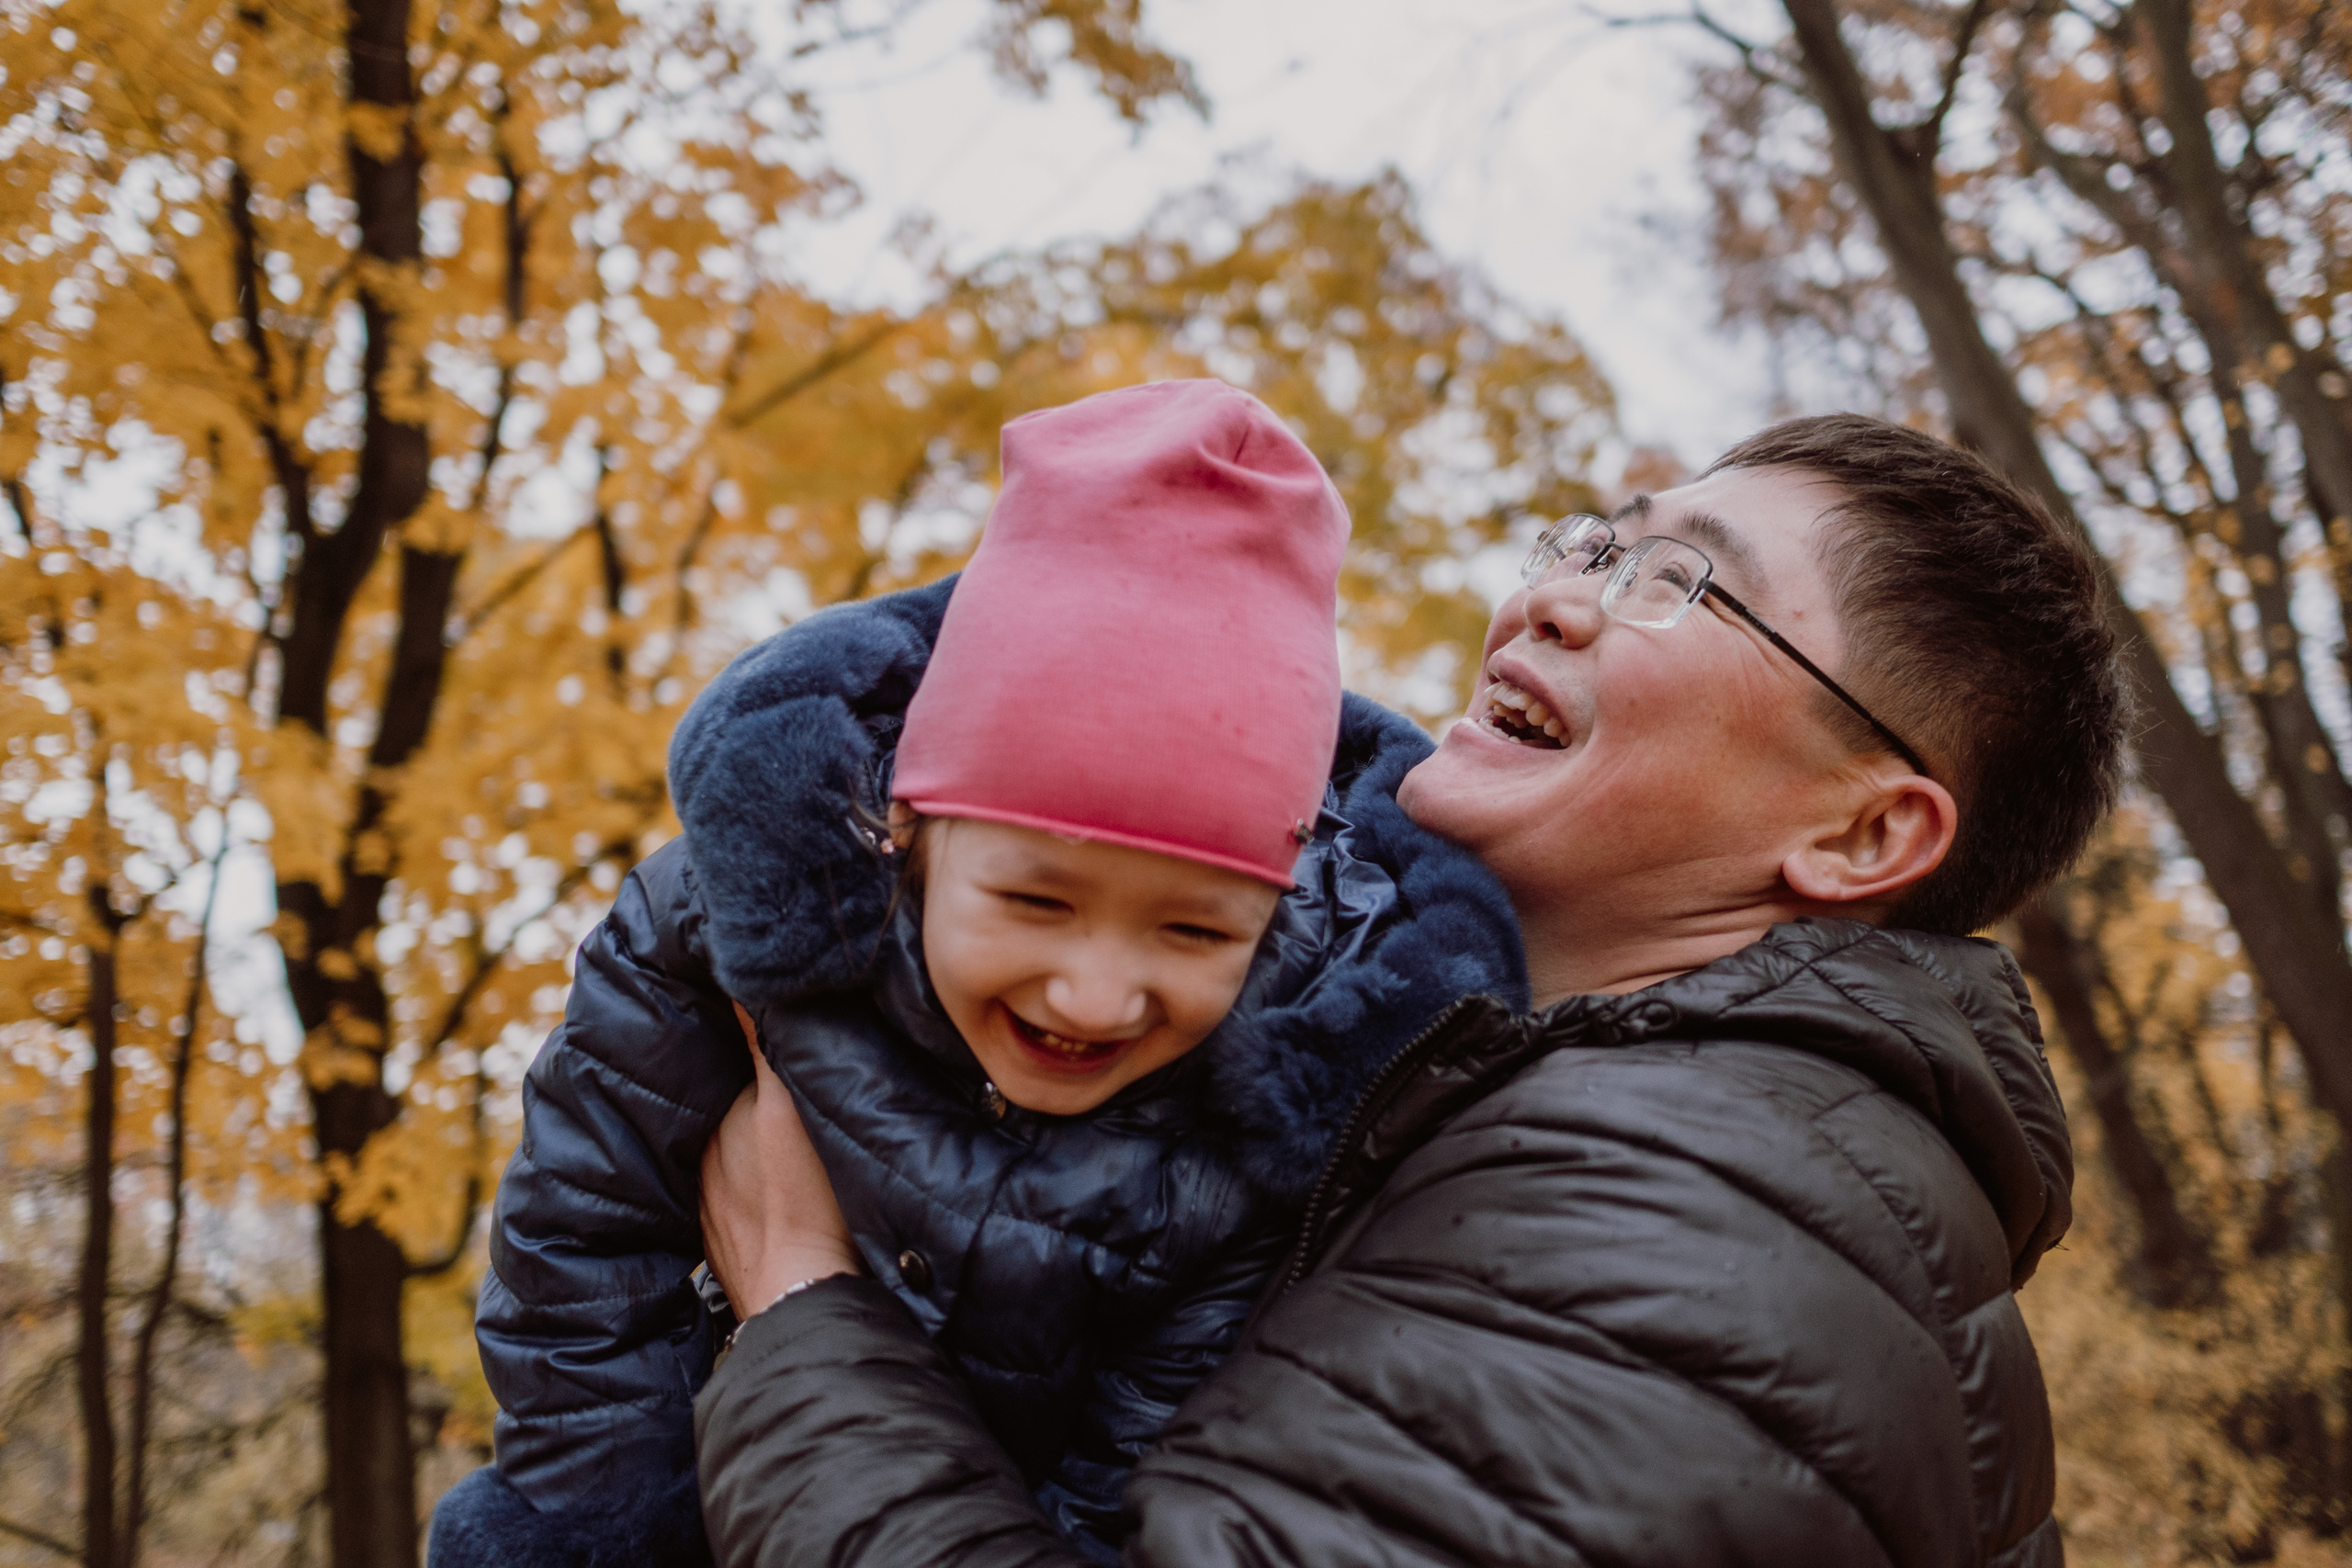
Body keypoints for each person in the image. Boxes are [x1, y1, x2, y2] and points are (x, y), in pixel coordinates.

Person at [690, 414, 2127, 1568]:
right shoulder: (1552, 1110)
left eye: (1677, 583)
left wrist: (803, 1311)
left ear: (1863, 836)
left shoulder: (1698, 1218)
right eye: (1595, 546)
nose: (1550, 598)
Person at [424, 380, 1526, 1568]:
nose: (1095, 996)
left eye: (1194, 935)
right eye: (1036, 903)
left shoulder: (1260, 1125)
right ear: (910, 827)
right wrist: (602, 1533)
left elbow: (1131, 1473)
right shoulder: (713, 937)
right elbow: (580, 1251)